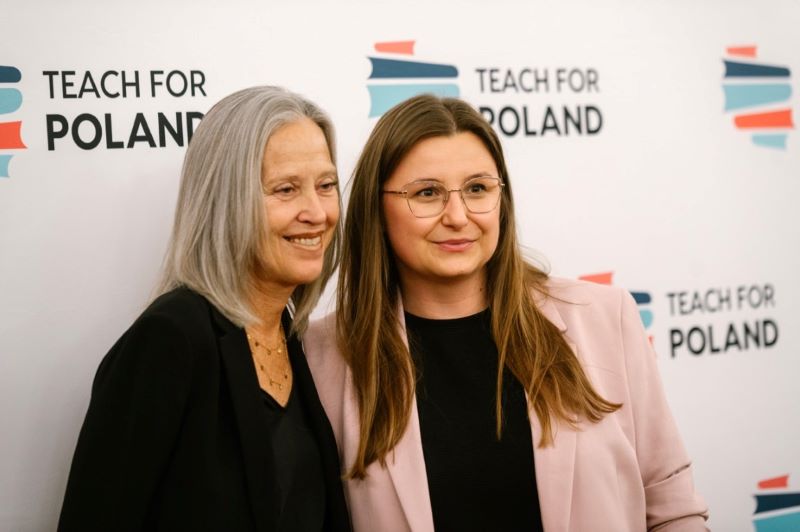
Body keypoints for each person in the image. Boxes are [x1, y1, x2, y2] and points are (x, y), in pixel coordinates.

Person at [303, 94, 709, 531]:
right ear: (376, 208)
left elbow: (672, 509)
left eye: (477, 188)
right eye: (427, 193)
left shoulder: (606, 318)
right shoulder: (322, 358)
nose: (458, 216)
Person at [58, 86, 351, 532]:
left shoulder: (292, 335)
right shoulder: (169, 339)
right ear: (225, 201)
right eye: (286, 189)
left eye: (326, 185)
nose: (316, 211)